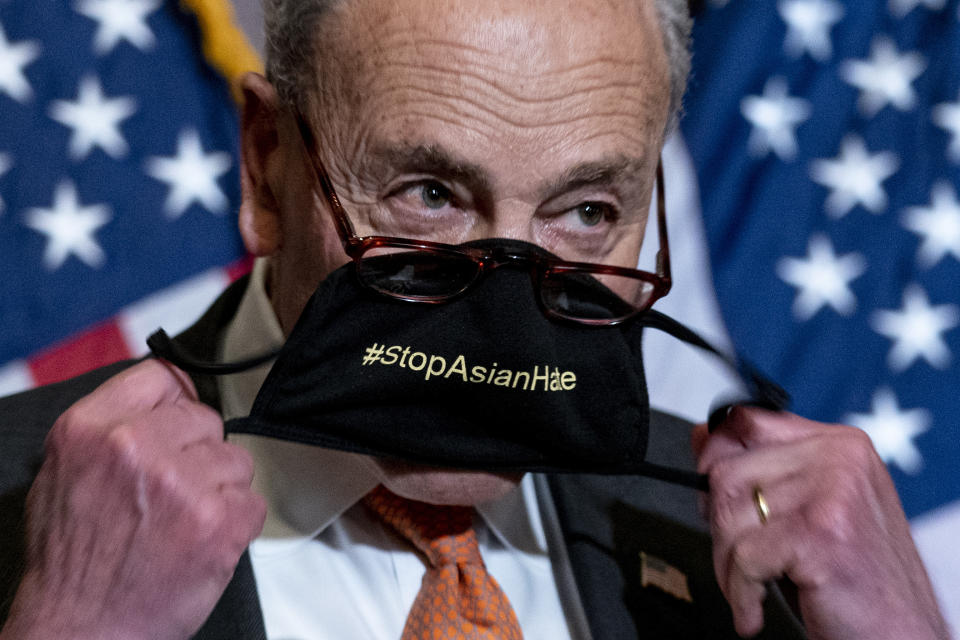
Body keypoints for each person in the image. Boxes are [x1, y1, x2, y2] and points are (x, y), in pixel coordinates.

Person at [0, 0, 949, 638]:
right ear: (265, 166)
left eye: (586, 212)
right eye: (430, 193)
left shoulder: (743, 554)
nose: (505, 314)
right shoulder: (21, 506)